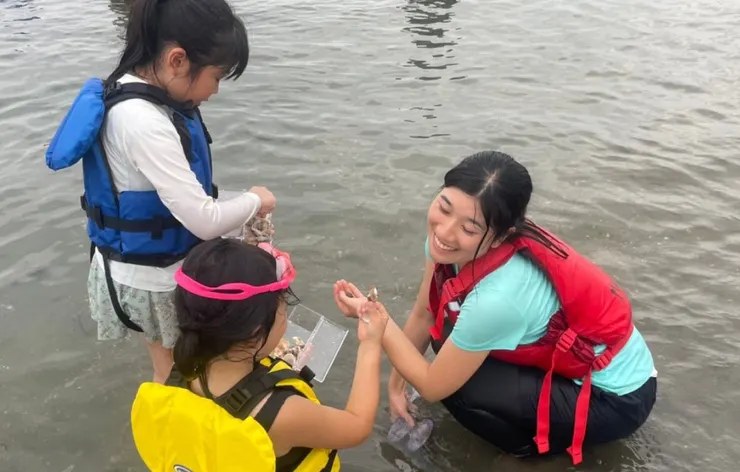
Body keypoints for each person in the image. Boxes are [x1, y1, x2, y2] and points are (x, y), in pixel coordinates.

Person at [334, 150, 657, 465]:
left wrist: (377, 320)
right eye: (444, 208)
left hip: (616, 399)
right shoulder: (446, 247)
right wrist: (396, 387)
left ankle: (536, 455)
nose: (444, 232)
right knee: (444, 336)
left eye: (469, 228)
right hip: (578, 364)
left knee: (460, 389)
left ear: (503, 236)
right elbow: (425, 311)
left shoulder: (497, 298)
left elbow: (432, 387)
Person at [44, 0, 276, 383]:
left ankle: (163, 414)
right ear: (177, 60)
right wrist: (255, 200)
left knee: (167, 368)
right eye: (217, 77)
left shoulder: (137, 95)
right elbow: (204, 221)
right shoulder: (143, 122)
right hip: (152, 282)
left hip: (135, 267)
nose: (215, 91)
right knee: (186, 376)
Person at [130, 238, 388, 471]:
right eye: (283, 310)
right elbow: (357, 425)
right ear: (255, 331)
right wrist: (370, 343)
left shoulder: (179, 373)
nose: (285, 318)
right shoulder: (284, 413)